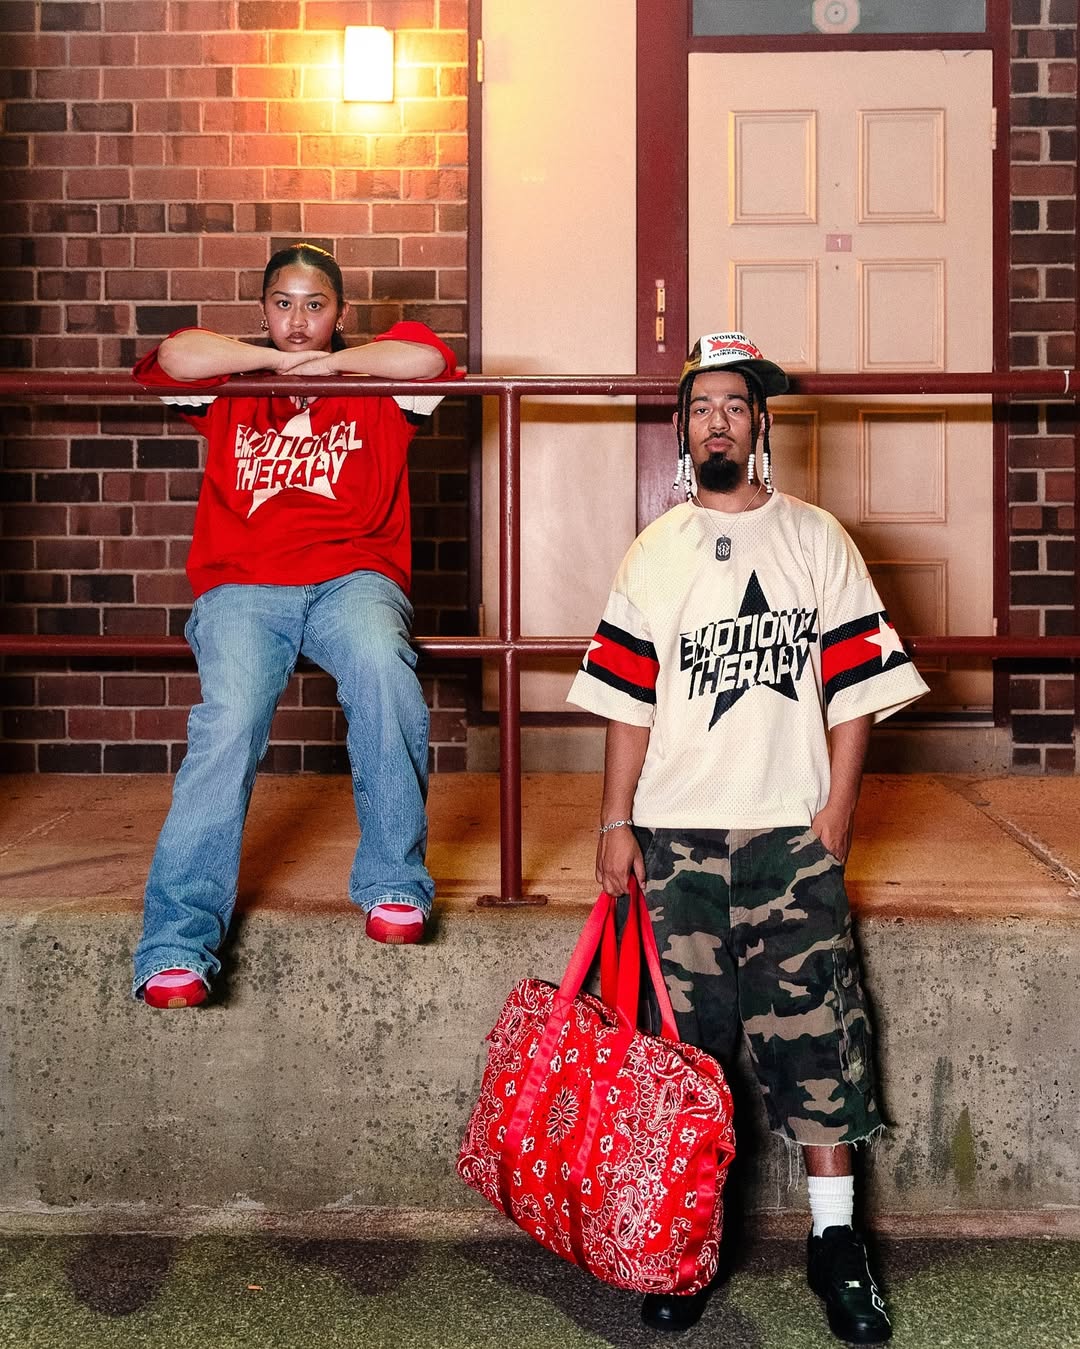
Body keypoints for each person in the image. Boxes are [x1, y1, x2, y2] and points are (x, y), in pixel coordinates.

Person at [567, 332, 929, 1344]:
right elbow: (628, 700)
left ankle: (836, 1242)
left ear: (760, 424)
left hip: (786, 833)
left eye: (734, 405)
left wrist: (838, 811)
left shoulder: (816, 538)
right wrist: (615, 819)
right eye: (701, 407)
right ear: (683, 430)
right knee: (686, 1053)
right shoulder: (656, 548)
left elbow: (857, 690)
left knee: (817, 1037)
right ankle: (684, 1242)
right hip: (677, 836)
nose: (717, 421)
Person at [130, 242, 460, 1010]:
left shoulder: (377, 383)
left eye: (316, 305)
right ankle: (176, 940)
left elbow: (427, 359)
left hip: (353, 578)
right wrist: (274, 365)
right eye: (283, 303)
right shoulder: (232, 382)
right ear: (263, 310)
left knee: (382, 665)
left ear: (340, 312)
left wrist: (331, 367)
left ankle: (394, 881)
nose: (299, 319)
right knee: (231, 716)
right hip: (245, 585)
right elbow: (174, 355)